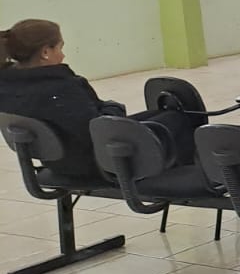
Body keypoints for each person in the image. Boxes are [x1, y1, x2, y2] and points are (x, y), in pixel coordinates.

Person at [0, 20, 188, 179]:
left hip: (59, 162)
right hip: (98, 164)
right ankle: (183, 177)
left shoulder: (7, 86)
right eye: (60, 47)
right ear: (45, 52)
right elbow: (97, 129)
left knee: (157, 115)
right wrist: (113, 108)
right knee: (178, 118)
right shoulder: (60, 88)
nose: (63, 55)